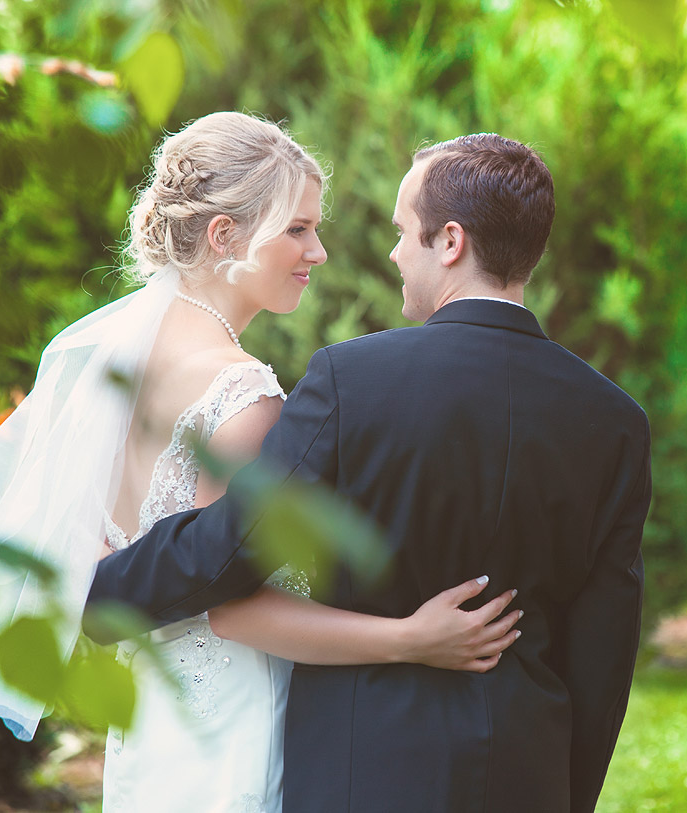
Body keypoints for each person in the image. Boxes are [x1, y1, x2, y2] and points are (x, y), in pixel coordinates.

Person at [0, 113, 521, 813]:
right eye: (297, 228)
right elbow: (235, 610)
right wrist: (411, 639)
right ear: (224, 234)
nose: (317, 251)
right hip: (231, 729)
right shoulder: (240, 392)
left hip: (152, 728)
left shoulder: (121, 364)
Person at [88, 133, 652, 813]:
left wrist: (98, 592)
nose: (392, 254)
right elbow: (604, 651)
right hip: (526, 772)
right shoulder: (615, 420)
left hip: (365, 771)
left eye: (401, 232)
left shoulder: (351, 379)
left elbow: (233, 545)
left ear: (450, 242)